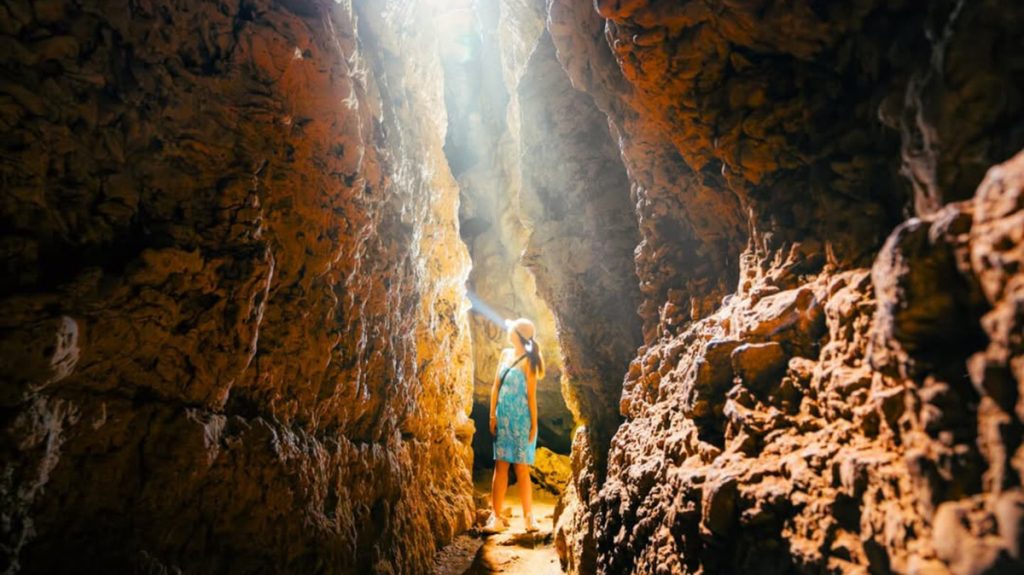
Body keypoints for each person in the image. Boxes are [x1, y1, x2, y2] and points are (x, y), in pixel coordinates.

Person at [482, 317, 545, 533]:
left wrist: (534, 425)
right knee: (500, 467)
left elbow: (531, 397)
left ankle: (529, 519)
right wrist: (492, 416)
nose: (508, 330)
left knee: (521, 468)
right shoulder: (505, 355)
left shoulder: (529, 361)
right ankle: (495, 517)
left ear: (517, 336)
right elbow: (495, 387)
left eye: (512, 329)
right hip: (503, 419)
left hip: (521, 421)